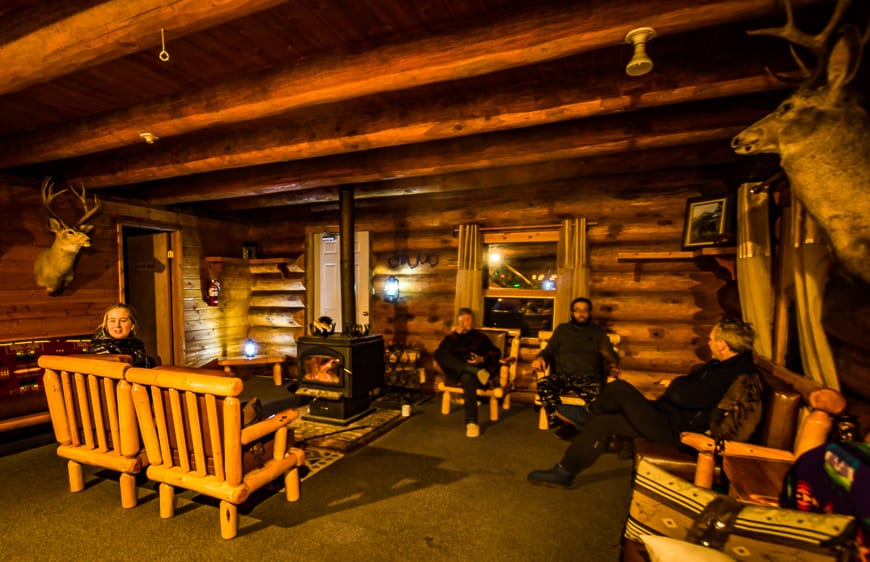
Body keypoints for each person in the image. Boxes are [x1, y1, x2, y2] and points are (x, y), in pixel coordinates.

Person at [527, 316, 756, 488]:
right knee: (603, 422)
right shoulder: (726, 365)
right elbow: (685, 388)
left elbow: (683, 394)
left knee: (619, 388)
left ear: (723, 344)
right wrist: (679, 386)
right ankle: (565, 471)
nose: (709, 342)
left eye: (712, 339)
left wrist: (677, 385)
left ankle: (587, 412)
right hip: (669, 415)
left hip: (678, 430)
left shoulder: (732, 373)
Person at [532, 297, 619, 430]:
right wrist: (540, 357)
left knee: (599, 399)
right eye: (577, 310)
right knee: (544, 384)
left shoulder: (597, 333)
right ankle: (560, 420)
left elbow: (610, 356)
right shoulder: (562, 330)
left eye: (584, 310)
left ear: (590, 313)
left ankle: (581, 424)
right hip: (563, 377)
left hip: (589, 378)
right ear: (572, 313)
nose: (581, 313)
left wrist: (612, 364)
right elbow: (549, 350)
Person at [434, 308, 501, 438]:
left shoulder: (480, 337)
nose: (465, 323)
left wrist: (481, 359)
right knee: (439, 352)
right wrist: (455, 336)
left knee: (467, 377)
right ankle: (469, 369)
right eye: (462, 320)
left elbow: (496, 353)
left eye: (468, 320)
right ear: (458, 322)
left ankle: (472, 423)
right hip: (456, 371)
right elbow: (441, 353)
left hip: (474, 375)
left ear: (473, 321)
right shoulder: (451, 338)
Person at [88, 303, 149, 367]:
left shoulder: (138, 346)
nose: (117, 325)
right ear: (106, 325)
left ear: (132, 325)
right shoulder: (98, 347)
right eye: (112, 321)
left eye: (123, 321)